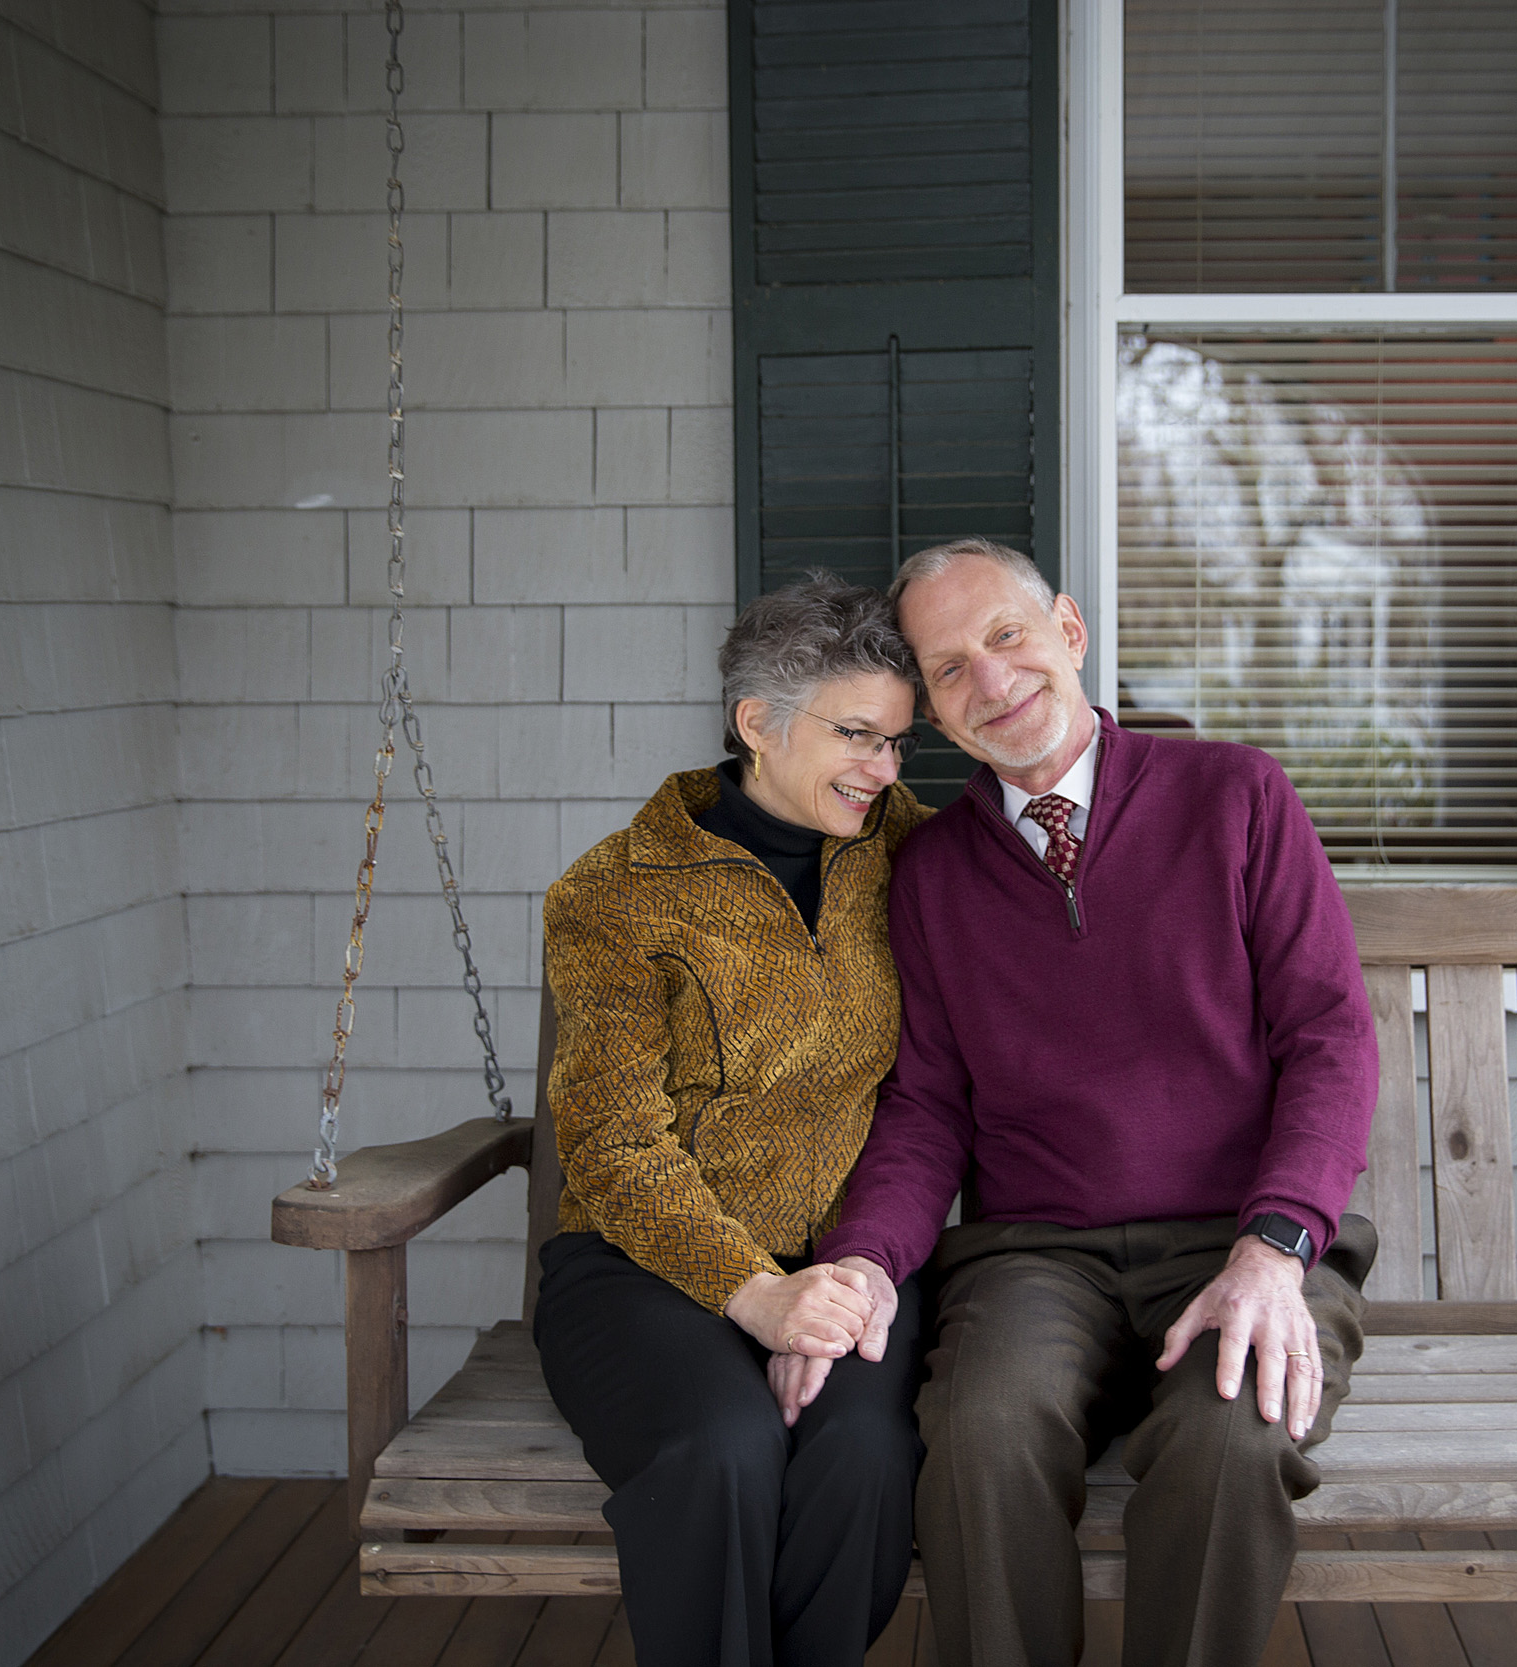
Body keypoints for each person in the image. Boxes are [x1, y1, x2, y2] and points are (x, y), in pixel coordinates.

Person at [787, 537, 1381, 1667]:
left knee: (1233, 1444)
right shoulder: (931, 874)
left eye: (1005, 636)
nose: (991, 680)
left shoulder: (1236, 797)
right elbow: (926, 1107)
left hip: (1239, 1237)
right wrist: (864, 1258)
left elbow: (1330, 1039)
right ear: (928, 709)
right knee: (977, 1430)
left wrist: (1275, 1246)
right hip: (1034, 1254)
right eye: (948, 667)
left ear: (1068, 628)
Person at [534, 571, 934, 1667]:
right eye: (859, 735)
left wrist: (838, 1279)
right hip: (640, 1269)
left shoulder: (919, 854)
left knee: (862, 1452)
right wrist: (754, 1292)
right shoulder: (616, 892)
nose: (885, 770)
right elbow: (613, 1144)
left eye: (900, 743)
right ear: (758, 722)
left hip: (854, 1261)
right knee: (721, 1446)